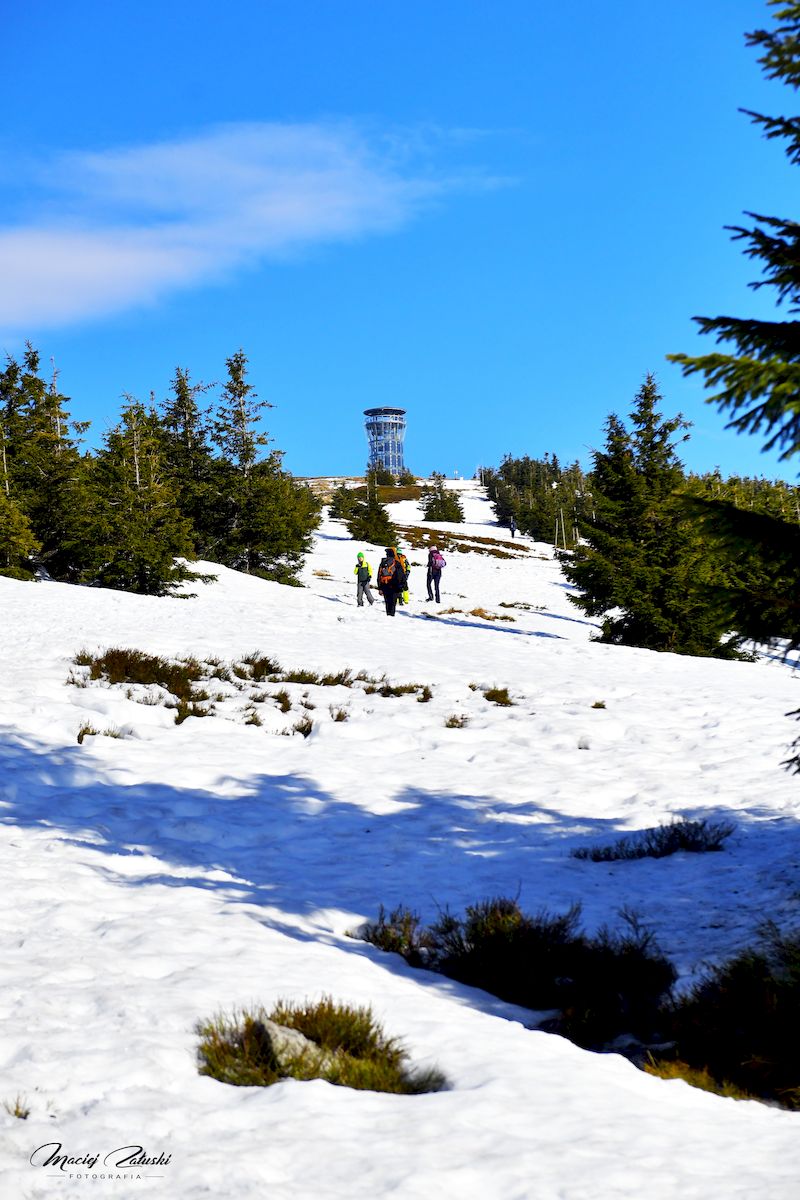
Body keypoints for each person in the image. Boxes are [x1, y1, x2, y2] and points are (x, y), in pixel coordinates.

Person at [376, 546, 407, 617]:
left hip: (384, 585)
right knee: (393, 604)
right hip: (394, 587)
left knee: (387, 603)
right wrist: (403, 585)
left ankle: (388, 616)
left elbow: (379, 576)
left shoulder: (383, 563)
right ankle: (391, 617)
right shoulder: (396, 563)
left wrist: (380, 588)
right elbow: (401, 576)